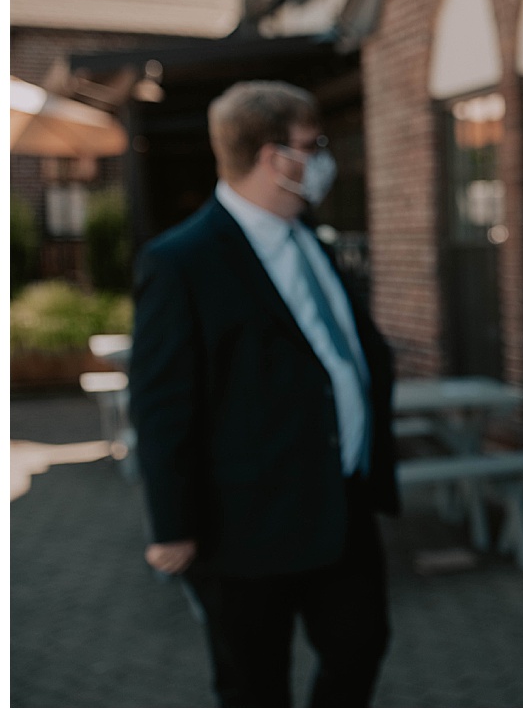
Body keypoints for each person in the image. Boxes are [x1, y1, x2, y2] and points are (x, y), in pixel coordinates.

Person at [130, 80, 399, 707]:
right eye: (314, 145)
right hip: (244, 526)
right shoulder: (182, 261)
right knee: (253, 685)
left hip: (343, 504)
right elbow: (162, 402)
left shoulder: (311, 239)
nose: (322, 158)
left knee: (360, 649)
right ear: (277, 157)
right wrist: (172, 525)